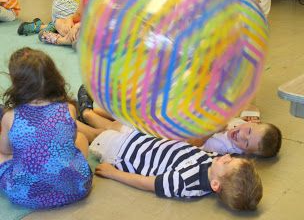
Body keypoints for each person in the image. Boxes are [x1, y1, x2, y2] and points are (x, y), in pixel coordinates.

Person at [75, 89, 262, 211]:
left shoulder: (187, 183)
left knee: (95, 135)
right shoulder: (215, 161)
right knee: (115, 125)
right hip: (146, 140)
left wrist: (113, 173)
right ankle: (87, 114)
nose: (227, 156)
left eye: (228, 162)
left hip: (125, 154)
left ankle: (69, 119)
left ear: (215, 185)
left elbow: (146, 182)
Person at [0, 47, 92, 209]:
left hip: (26, 195)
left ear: (17, 84)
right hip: (76, 188)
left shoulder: (10, 116)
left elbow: (6, 150)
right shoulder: (68, 108)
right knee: (81, 139)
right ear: (53, 77)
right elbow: (68, 142)